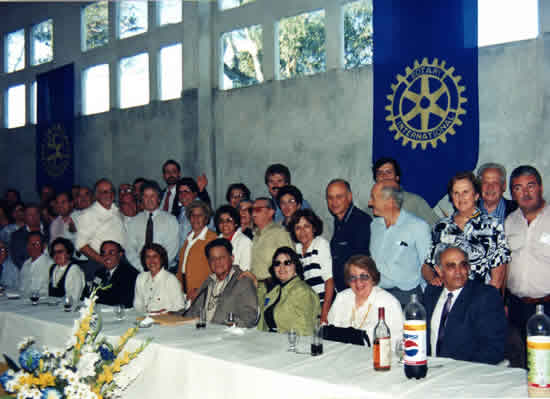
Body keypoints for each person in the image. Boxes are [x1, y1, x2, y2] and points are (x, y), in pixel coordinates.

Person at [422, 172, 510, 290]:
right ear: (451, 197)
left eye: (465, 192)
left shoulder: (492, 226)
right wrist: (433, 279)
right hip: (448, 298)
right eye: (456, 193)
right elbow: (427, 266)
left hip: (480, 298)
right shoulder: (441, 226)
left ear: (476, 195)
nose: (461, 197)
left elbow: (498, 277)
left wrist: (488, 301)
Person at [423, 245, 507, 365]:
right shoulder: (431, 292)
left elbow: (493, 349)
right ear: (439, 271)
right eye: (451, 266)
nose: (459, 271)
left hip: (466, 372)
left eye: (463, 265)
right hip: (430, 369)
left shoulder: (485, 296)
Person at [505, 165, 550, 360]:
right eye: (518, 188)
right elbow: (505, 264)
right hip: (518, 308)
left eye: (530, 186)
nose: (525, 193)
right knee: (523, 366)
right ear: (512, 194)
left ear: (540, 187)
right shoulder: (509, 222)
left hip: (548, 305)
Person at [368, 182, 431, 307]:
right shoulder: (374, 226)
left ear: (390, 201)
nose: (370, 203)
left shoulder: (418, 226)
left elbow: (427, 265)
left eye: (373, 198)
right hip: (378, 295)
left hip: (407, 298)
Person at [327, 255, 403, 349]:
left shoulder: (389, 302)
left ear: (373, 277)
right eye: (353, 278)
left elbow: (397, 343)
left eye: (364, 276)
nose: (358, 283)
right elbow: (329, 334)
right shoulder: (341, 298)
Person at [186, 238, 258, 327]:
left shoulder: (242, 281)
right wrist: (171, 314)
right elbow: (192, 312)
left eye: (222, 257)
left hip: (226, 336)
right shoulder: (209, 282)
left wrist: (228, 324)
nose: (217, 262)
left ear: (232, 258)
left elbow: (250, 317)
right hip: (201, 331)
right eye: (213, 258)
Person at [257, 247, 320, 335]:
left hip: (292, 344)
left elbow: (304, 330)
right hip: (270, 340)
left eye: (287, 263)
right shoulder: (275, 291)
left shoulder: (303, 292)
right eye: (277, 263)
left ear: (296, 266)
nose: (281, 267)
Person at [74, 178, 127, 281]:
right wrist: (103, 261)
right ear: (96, 195)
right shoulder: (88, 215)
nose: (109, 194)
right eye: (104, 192)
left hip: (120, 262)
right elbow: (81, 245)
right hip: (100, 264)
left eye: (111, 190)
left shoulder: (116, 210)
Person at [288, 209, 334, 323]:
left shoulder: (320, 244)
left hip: (324, 305)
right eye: (298, 228)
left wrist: (325, 313)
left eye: (306, 226)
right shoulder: (297, 249)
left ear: (314, 228)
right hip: (308, 306)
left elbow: (329, 280)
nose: (302, 231)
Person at [326, 179, 371, 293]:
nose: (334, 202)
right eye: (330, 198)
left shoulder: (361, 221)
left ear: (349, 197)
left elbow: (362, 262)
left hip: (357, 289)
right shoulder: (339, 221)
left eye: (339, 197)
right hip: (343, 291)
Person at [126, 180, 179, 272]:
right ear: (141, 199)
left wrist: (158, 267)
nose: (149, 199)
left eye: (152, 196)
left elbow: (172, 248)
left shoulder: (171, 220)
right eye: (145, 196)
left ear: (158, 198)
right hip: (140, 270)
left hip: (165, 270)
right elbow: (129, 249)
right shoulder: (133, 222)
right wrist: (142, 268)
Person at [372, 158, 439, 226]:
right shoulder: (371, 209)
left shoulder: (414, 202)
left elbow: (437, 228)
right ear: (376, 179)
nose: (384, 176)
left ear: (397, 178)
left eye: (388, 172)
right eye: (380, 173)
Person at [176, 200, 217, 300]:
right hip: (184, 292)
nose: (196, 218)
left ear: (206, 218)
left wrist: (200, 290)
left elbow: (216, 271)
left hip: (201, 293)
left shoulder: (212, 239)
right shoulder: (188, 238)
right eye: (193, 215)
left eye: (200, 215)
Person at [250, 197, 294, 287]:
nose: (253, 213)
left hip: (274, 285)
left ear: (271, 212)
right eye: (252, 210)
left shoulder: (279, 232)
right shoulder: (255, 235)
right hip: (256, 286)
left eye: (258, 209)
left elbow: (291, 262)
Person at [134, 243, 187, 314]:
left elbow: (180, 307)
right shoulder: (141, 278)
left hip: (166, 321)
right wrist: (147, 313)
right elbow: (137, 305)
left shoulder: (170, 279)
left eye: (155, 256)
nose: (151, 260)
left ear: (162, 259)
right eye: (148, 257)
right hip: (145, 319)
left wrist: (162, 313)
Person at [92, 240, 139, 308]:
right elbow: (92, 294)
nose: (107, 257)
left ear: (120, 255)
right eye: (103, 253)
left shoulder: (130, 274)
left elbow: (122, 301)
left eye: (111, 253)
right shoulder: (99, 273)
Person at [175, 177, 215, 249]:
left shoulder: (203, 210)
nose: (183, 195)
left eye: (186, 192)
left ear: (195, 194)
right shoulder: (182, 210)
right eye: (180, 192)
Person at [214, 205, 251, 271]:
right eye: (221, 221)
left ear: (236, 223)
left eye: (229, 220)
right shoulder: (215, 241)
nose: (224, 224)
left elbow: (246, 270)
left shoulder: (245, 242)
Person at [47, 237, 85, 301]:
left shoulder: (74, 270)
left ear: (68, 253)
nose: (56, 255)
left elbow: (74, 298)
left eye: (60, 252)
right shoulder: (53, 268)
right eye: (54, 252)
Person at [10, 204, 47, 268]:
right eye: (30, 215)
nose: (33, 217)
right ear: (24, 217)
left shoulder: (48, 229)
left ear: (39, 215)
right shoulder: (17, 236)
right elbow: (17, 259)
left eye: (35, 214)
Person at [18, 232, 51, 298]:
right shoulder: (26, 264)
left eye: (36, 244)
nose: (32, 247)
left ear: (44, 246)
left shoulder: (50, 265)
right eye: (30, 244)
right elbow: (20, 288)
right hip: (22, 302)